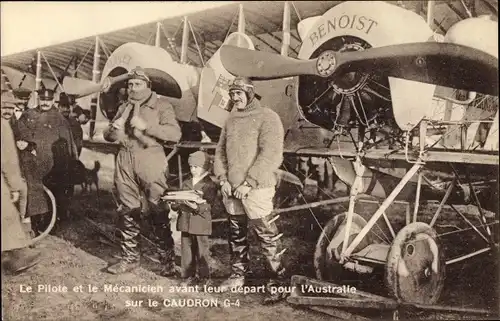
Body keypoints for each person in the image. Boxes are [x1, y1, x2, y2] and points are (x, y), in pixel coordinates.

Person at [214, 77, 287, 304]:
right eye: (232, 93)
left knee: (266, 234)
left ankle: (278, 283)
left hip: (257, 188)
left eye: (239, 93)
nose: (235, 98)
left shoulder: (268, 117)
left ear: (250, 93)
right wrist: (223, 179)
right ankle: (238, 275)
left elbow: (271, 153)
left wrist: (250, 182)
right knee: (236, 234)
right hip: (232, 188)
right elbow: (220, 152)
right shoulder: (231, 119)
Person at [103, 67, 182, 275]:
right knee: (128, 210)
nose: (132, 88)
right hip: (124, 158)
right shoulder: (124, 106)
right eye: (129, 84)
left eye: (137, 84)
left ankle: (167, 261)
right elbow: (108, 137)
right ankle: (130, 258)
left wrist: (147, 127)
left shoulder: (161, 105)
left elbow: (174, 134)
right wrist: (112, 130)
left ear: (148, 86)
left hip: (150, 159)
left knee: (158, 209)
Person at [16, 89, 78, 225]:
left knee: (54, 193)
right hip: (32, 163)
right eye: (42, 99)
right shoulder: (28, 115)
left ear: (52, 100)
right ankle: (34, 222)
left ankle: (52, 222)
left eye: (48, 100)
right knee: (33, 194)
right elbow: (20, 133)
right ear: (38, 99)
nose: (45, 102)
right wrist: (26, 144)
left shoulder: (60, 119)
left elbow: (68, 142)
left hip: (52, 165)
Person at [168, 151, 218, 286]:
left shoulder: (210, 185)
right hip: (185, 223)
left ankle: (204, 278)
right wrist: (174, 204)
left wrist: (196, 207)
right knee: (186, 251)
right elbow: (179, 200)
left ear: (205, 167)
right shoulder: (186, 183)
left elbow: (210, 205)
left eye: (196, 167)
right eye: (191, 167)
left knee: (202, 251)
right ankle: (187, 276)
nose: (193, 170)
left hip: (200, 223)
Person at [1, 113, 41, 274]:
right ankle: (15, 256)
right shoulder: (2, 125)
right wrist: (14, 186)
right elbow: (8, 160)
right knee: (7, 213)